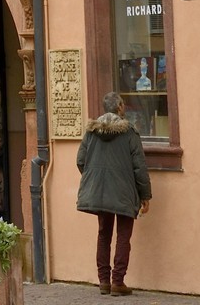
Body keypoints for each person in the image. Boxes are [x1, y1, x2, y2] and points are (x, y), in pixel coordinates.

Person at [76, 91, 152, 296]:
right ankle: (118, 281)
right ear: (119, 108)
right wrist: (145, 195)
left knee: (103, 235)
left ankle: (103, 282)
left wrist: (95, 179)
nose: (124, 107)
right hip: (125, 191)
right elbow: (139, 167)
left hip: (100, 191)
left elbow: (81, 160)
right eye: (123, 104)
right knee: (123, 237)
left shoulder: (91, 132)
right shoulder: (129, 132)